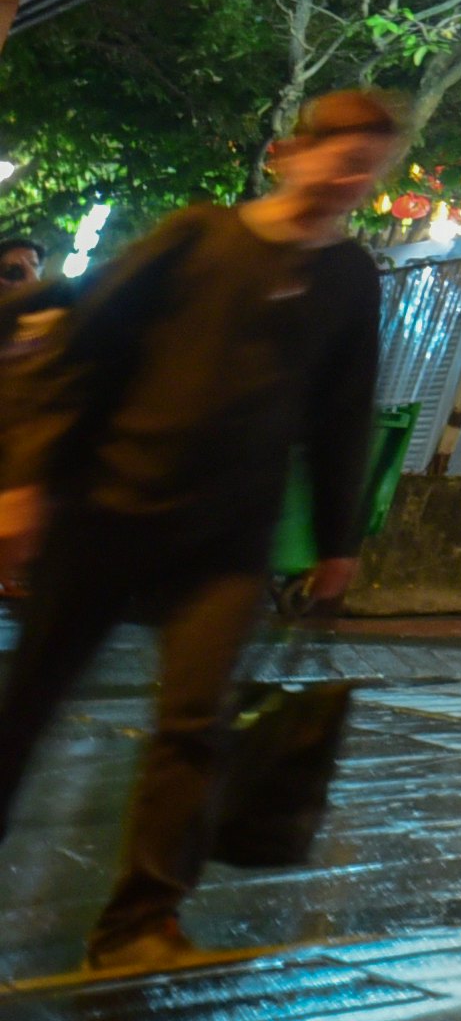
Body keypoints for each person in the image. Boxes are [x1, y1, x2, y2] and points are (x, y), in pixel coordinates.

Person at [0, 89, 391, 971]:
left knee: (197, 723)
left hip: (229, 537)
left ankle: (140, 923)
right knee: (27, 707)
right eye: (341, 154)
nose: (352, 176)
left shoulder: (349, 277)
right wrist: (26, 483)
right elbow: (83, 345)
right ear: (294, 152)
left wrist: (340, 540)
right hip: (109, 507)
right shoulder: (198, 235)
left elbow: (342, 411)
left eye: (369, 164)